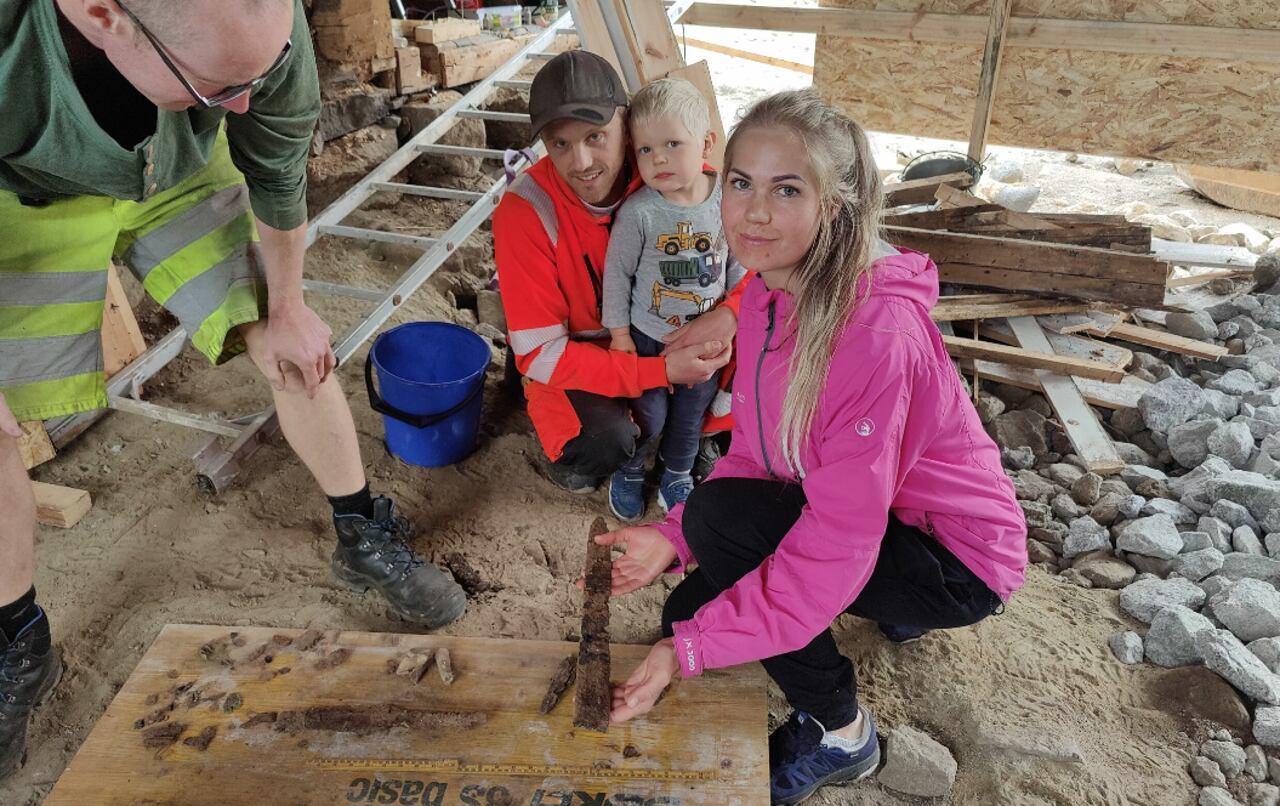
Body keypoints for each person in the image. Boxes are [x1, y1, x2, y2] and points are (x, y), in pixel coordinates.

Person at [0, 0, 466, 778]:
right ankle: (19, 641)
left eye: (262, 74)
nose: (247, 103)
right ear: (102, 15)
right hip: (24, 198)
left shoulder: (256, 36)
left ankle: (361, 535)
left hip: (177, 171)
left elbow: (277, 169)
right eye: (225, 86)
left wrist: (286, 309)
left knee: (291, 344)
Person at [593, 90, 1028, 805]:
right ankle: (890, 609)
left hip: (961, 559)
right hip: (884, 512)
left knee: (716, 561)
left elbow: (831, 541)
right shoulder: (772, 286)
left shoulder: (872, 334)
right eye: (741, 184)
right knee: (688, 599)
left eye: (785, 189)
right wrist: (672, 539)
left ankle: (843, 736)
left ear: (836, 205)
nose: (753, 212)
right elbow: (760, 457)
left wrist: (693, 650)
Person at [492, 52, 738, 497]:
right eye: (559, 143)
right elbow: (540, 351)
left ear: (626, 125)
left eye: (595, 135)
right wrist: (658, 372)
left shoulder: (668, 175)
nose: (582, 161)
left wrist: (731, 314)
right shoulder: (524, 211)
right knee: (605, 441)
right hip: (581, 352)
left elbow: (747, 264)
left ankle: (689, 443)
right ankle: (596, 457)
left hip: (673, 330)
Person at [600, 78, 745, 522]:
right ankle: (631, 467)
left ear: (706, 142)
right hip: (648, 336)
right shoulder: (640, 212)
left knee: (690, 415)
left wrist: (731, 315)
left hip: (703, 341)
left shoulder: (725, 200)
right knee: (651, 416)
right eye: (644, 150)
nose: (658, 157)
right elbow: (618, 276)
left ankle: (677, 471)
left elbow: (737, 264)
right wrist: (620, 335)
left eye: (672, 144)